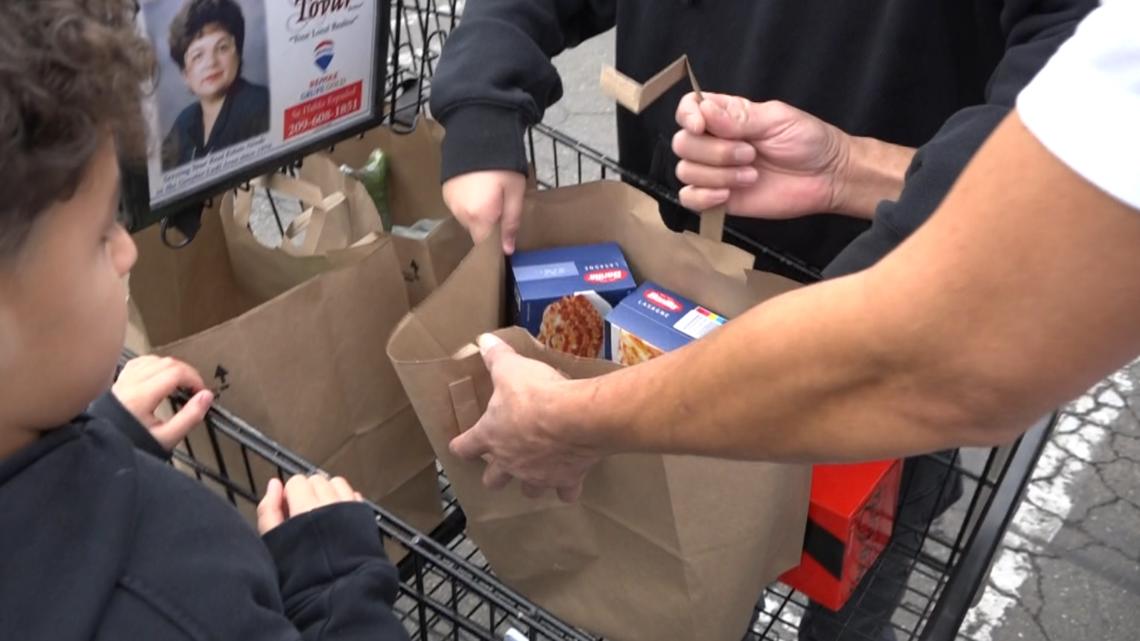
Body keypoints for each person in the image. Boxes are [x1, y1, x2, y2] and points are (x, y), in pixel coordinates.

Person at [431, 2, 1094, 637]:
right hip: (673, 280)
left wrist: (876, 207)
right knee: (684, 561)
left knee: (855, 577)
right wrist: (484, 100)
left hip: (892, 325)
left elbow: (1081, 85)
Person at [0, 2, 407, 640]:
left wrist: (101, 439)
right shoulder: (181, 589)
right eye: (101, 232)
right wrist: (336, 586)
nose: (128, 248)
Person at [161, 0, 270, 170]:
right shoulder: (183, 122)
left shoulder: (261, 107)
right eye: (198, 56)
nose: (211, 63)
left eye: (222, 48)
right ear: (185, 75)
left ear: (238, 53)